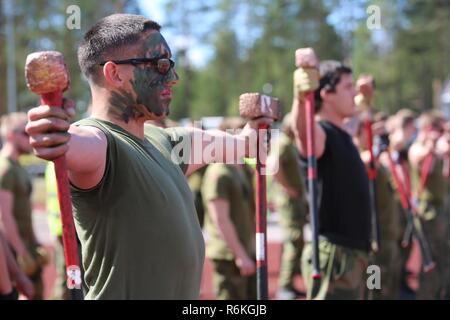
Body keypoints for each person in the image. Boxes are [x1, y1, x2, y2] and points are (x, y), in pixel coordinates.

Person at [25, 13, 270, 299]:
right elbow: (72, 144)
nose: (173, 78)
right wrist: (53, 132)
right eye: (160, 65)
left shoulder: (165, 141)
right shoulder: (100, 141)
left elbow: (246, 144)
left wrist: (260, 125)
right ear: (115, 73)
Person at [292, 60, 371, 300]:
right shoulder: (320, 132)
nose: (354, 93)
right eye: (348, 87)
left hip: (354, 252)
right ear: (326, 94)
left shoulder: (343, 133)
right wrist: (301, 96)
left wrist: (366, 100)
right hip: (335, 255)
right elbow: (301, 131)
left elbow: (357, 117)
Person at [201, 117, 256, 300]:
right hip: (228, 255)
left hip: (244, 248)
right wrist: (240, 255)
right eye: (241, 134)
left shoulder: (241, 169)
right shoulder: (219, 173)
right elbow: (220, 219)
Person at [352, 113, 402, 300]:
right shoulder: (360, 155)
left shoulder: (377, 157)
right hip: (374, 236)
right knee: (375, 287)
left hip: (387, 231)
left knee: (388, 284)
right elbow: (362, 162)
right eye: (372, 130)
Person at [0, 112, 46, 299]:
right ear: (11, 135)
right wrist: (22, 253)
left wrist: (34, 244)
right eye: (26, 133)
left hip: (25, 247)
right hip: (14, 252)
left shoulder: (17, 166)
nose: (31, 138)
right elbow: (4, 217)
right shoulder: (5, 168)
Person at [409, 111, 448, 299]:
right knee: (429, 261)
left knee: (443, 259)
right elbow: (423, 164)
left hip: (440, 209)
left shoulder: (439, 151)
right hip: (428, 210)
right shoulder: (417, 148)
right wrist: (432, 143)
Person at [268, 113, 307, 299]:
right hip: (289, 201)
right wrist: (288, 188)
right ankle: (285, 286)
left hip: (295, 200)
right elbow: (273, 167)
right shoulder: (283, 143)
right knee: (294, 239)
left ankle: (289, 282)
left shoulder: (289, 143)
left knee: (295, 240)